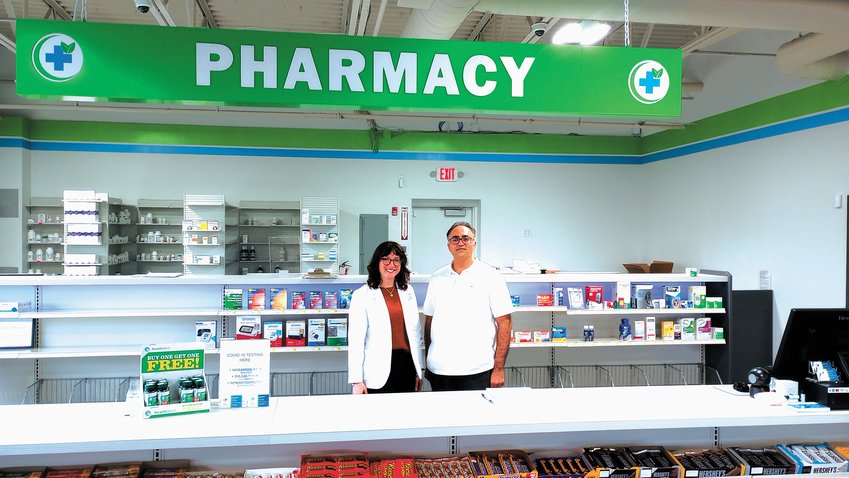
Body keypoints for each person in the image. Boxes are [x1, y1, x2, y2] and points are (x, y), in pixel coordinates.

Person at [423, 221, 513, 391]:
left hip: (477, 370)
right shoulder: (436, 278)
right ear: (448, 245)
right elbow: (429, 321)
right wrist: (429, 358)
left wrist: (499, 369)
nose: (460, 242)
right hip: (439, 371)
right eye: (455, 239)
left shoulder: (491, 277)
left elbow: (505, 323)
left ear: (474, 243)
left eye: (466, 238)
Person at [348, 241, 423, 393]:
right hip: (378, 368)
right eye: (386, 259)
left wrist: (418, 370)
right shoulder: (362, 295)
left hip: (406, 365)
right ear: (377, 262)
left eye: (396, 259)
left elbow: (415, 334)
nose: (392, 264)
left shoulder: (408, 291)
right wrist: (357, 380)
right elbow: (356, 340)